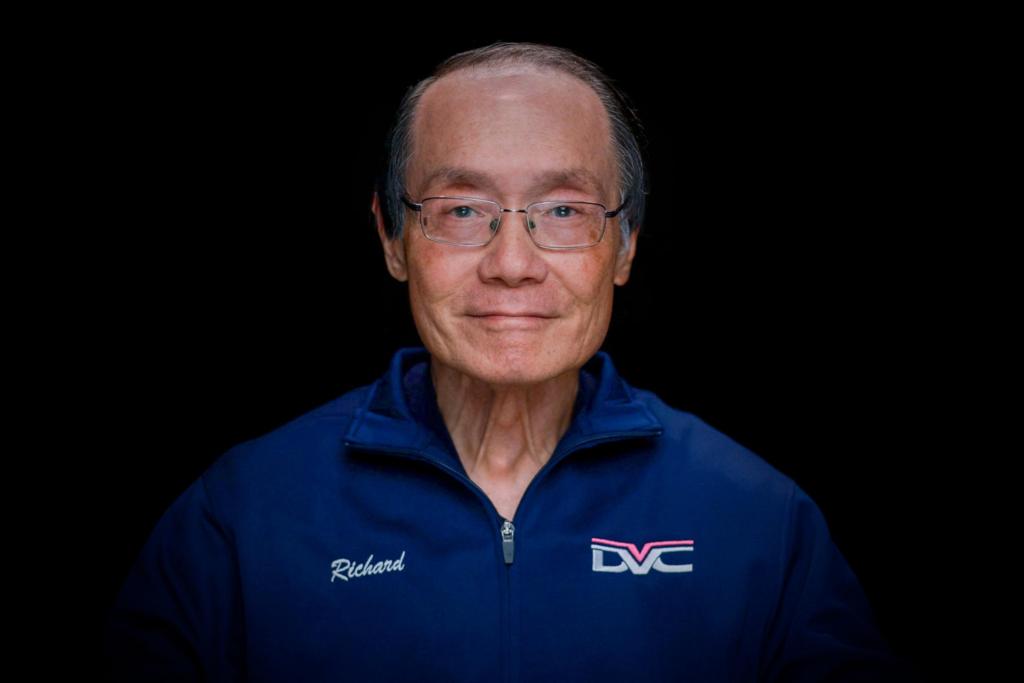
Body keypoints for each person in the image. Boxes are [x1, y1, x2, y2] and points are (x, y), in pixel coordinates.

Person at [103, 41, 920, 681]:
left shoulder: (756, 520)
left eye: (563, 210)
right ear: (392, 237)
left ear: (625, 245)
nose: (513, 263)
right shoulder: (242, 517)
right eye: (463, 209)